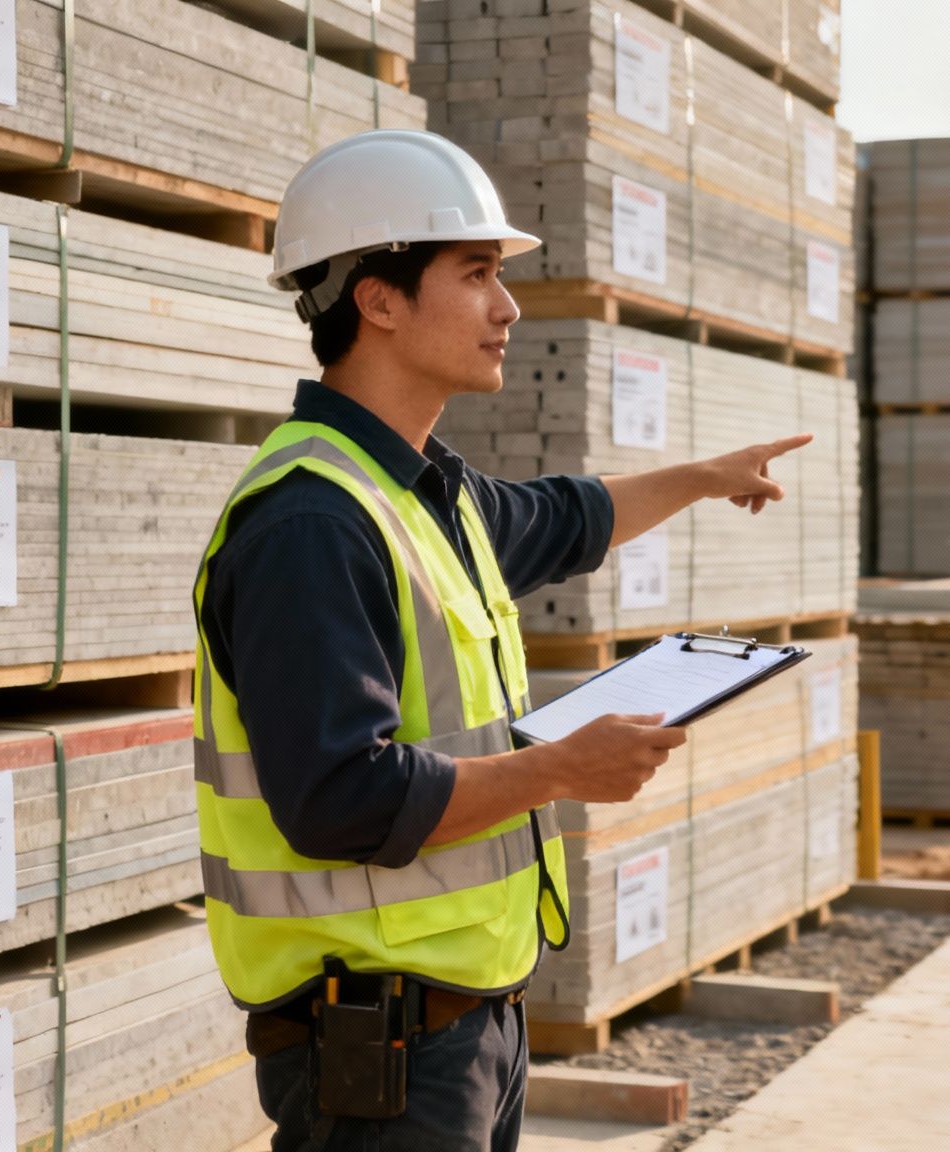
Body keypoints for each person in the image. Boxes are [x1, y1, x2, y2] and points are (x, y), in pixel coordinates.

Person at [191, 129, 812, 1151]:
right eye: (476, 274)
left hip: (465, 1024)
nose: (508, 307)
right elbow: (338, 798)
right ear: (376, 298)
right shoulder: (312, 525)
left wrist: (705, 476)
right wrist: (563, 768)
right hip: (376, 1050)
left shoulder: (429, 493)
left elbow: (568, 518)